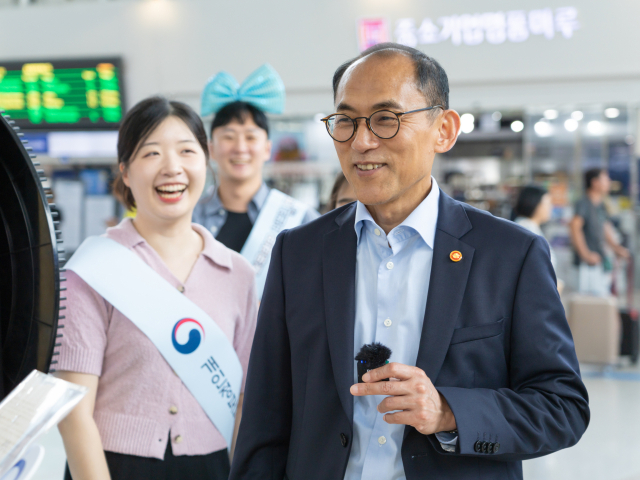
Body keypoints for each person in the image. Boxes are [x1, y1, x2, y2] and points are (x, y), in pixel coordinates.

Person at [230, 43, 589, 480]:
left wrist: (450, 412)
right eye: (345, 121)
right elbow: (266, 417)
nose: (361, 141)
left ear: (444, 129)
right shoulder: (299, 253)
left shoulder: (510, 254)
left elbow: (562, 407)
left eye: (386, 119)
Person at [53, 97, 257, 480]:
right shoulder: (92, 271)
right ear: (126, 172)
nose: (172, 168)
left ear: (205, 161)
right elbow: (74, 410)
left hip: (212, 467)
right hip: (112, 465)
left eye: (186, 151)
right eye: (151, 153)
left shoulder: (237, 274)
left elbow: (246, 398)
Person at [193, 65, 318, 258]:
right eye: (228, 137)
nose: (240, 147)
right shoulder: (190, 218)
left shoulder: (299, 218)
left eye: (250, 137)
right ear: (211, 149)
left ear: (267, 149)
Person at [570, 168, 629, 296]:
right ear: (595, 182)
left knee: (601, 300)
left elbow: (605, 228)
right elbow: (574, 227)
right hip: (587, 264)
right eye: (605, 178)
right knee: (587, 303)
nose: (609, 182)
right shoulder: (583, 203)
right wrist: (585, 254)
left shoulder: (600, 205)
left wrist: (616, 248)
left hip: (599, 261)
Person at [513, 185, 564, 293]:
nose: (551, 207)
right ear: (534, 204)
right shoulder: (526, 230)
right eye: (548, 203)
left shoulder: (530, 227)